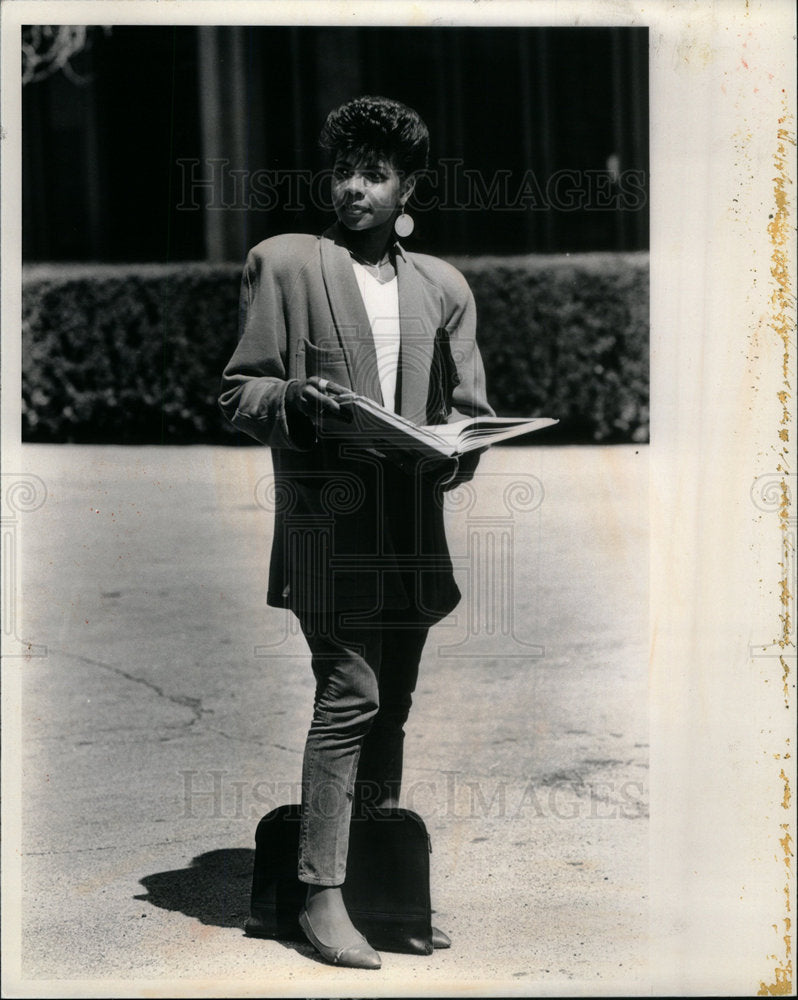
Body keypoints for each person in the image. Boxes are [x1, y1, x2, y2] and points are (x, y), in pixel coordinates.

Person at [219, 95, 493, 969]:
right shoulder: (286, 265)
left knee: (395, 704)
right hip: (325, 528)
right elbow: (238, 392)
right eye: (342, 172)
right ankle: (320, 895)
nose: (353, 189)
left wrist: (456, 451)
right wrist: (292, 398)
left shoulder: (442, 286)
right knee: (351, 696)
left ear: (408, 185)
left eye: (373, 174)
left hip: (411, 531)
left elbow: (468, 417)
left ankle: (374, 879)